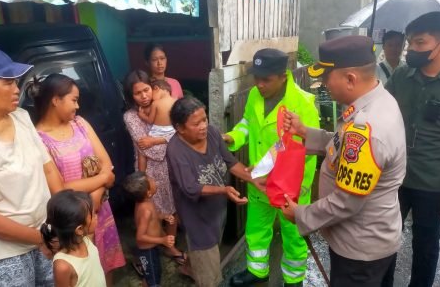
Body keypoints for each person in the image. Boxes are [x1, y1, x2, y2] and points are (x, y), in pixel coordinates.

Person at [282, 35, 406, 287]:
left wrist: (301, 214)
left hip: (359, 252)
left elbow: (345, 202)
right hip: (372, 240)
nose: (324, 84)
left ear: (350, 79)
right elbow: (343, 144)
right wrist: (305, 132)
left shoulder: (369, 127)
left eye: (326, 78)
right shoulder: (374, 103)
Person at [0, 46, 63, 286]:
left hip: (45, 233)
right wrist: (42, 238)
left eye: (15, 82)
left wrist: (63, 220)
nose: (16, 89)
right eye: (7, 83)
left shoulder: (21, 117)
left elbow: (48, 168)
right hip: (4, 253)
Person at [223, 48, 320, 287]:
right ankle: (257, 272)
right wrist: (233, 137)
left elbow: (309, 149)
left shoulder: (303, 104)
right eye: (256, 77)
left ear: (283, 76)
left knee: (293, 236)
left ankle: (294, 280)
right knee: (256, 229)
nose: (259, 84)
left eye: (266, 79)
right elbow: (246, 123)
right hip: (259, 182)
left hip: (290, 187)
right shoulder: (255, 95)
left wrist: (290, 180)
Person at [386, 12, 440, 287]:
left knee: (426, 246)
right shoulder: (401, 76)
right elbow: (377, 110)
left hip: (434, 182)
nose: (412, 49)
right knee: (384, 242)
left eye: (420, 43)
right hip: (394, 177)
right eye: (410, 43)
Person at [30, 73, 126, 286]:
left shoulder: (80, 124)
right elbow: (60, 190)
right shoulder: (38, 139)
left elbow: (107, 165)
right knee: (81, 273)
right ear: (56, 100)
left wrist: (96, 196)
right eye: (74, 99)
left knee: (103, 265)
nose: (78, 106)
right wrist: (101, 183)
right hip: (73, 221)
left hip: (99, 208)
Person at [166, 97, 265, 287]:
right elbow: (190, 188)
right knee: (209, 271)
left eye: (205, 119)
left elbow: (230, 161)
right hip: (197, 218)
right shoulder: (176, 150)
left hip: (217, 211)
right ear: (180, 128)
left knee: (208, 251)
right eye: (196, 123)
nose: (203, 126)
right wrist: (224, 190)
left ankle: (189, 267)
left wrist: (253, 178)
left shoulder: (211, 133)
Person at [123, 70, 186, 265]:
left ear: (153, 88)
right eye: (137, 93)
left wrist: (157, 140)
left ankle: (170, 243)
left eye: (146, 90)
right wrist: (164, 142)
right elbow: (142, 144)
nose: (143, 96)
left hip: (170, 165)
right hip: (148, 169)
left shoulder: (166, 105)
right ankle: (164, 245)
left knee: (172, 206)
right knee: (152, 209)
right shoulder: (130, 116)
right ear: (130, 95)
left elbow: (180, 132)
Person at [41, 189, 105, 287]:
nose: (96, 216)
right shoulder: (63, 266)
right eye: (93, 214)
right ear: (79, 229)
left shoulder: (85, 239)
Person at [124, 171, 176, 287]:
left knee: (149, 277)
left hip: (152, 248)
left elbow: (154, 215)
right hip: (148, 252)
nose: (154, 181)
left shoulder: (145, 202)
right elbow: (140, 237)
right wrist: (162, 240)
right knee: (154, 280)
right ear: (148, 193)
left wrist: (164, 216)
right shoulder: (146, 210)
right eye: (151, 181)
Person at [137, 80, 176, 172]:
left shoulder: (156, 103)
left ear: (156, 88)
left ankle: (141, 174)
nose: (151, 99)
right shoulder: (176, 102)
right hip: (172, 131)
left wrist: (142, 115)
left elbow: (150, 121)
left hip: (158, 132)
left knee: (141, 151)